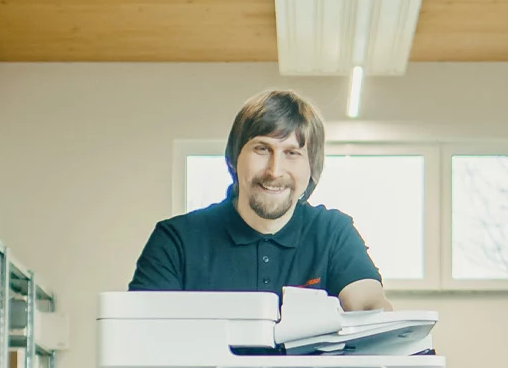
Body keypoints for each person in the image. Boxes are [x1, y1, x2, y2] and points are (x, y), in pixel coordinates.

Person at [129, 89, 392, 310]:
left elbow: (369, 307)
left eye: (292, 153)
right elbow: (140, 339)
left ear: (312, 166)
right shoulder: (176, 240)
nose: (274, 171)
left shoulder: (333, 233)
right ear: (234, 156)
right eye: (262, 149)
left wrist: (379, 320)